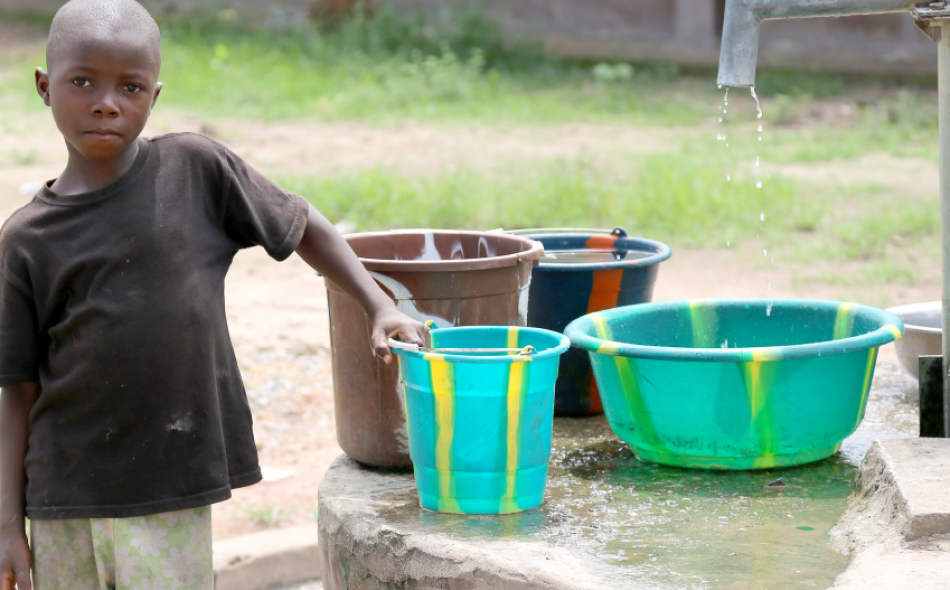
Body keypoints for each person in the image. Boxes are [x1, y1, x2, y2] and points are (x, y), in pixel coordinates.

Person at [0, 1, 427, 588]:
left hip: (168, 483)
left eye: (130, 86)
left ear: (155, 94)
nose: (107, 101)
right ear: (45, 88)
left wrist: (377, 302)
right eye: (82, 81)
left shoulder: (196, 171)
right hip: (62, 496)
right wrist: (5, 525)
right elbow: (15, 390)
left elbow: (301, 223)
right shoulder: (25, 239)